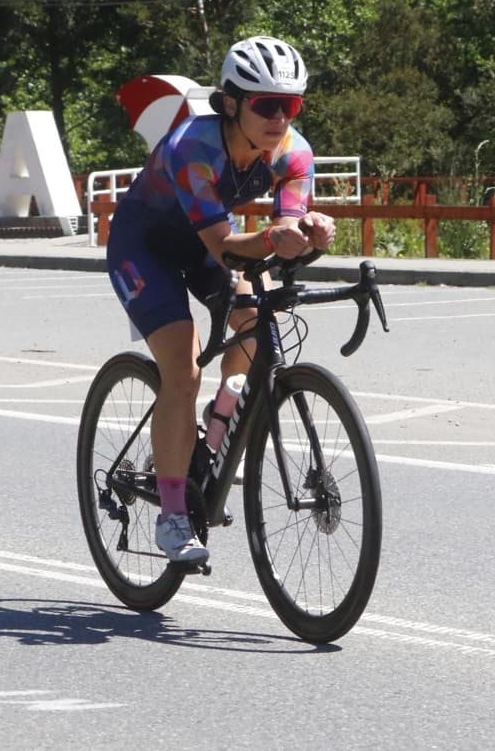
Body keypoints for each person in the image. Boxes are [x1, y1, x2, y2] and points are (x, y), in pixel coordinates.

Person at [105, 36, 336, 565]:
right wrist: (279, 238)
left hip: (209, 240)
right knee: (181, 369)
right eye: (266, 105)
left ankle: (215, 424)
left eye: (291, 105)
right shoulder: (193, 146)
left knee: (256, 318)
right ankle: (170, 516)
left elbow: (282, 228)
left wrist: (307, 230)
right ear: (231, 103)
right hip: (146, 248)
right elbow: (227, 248)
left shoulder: (294, 153)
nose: (280, 117)